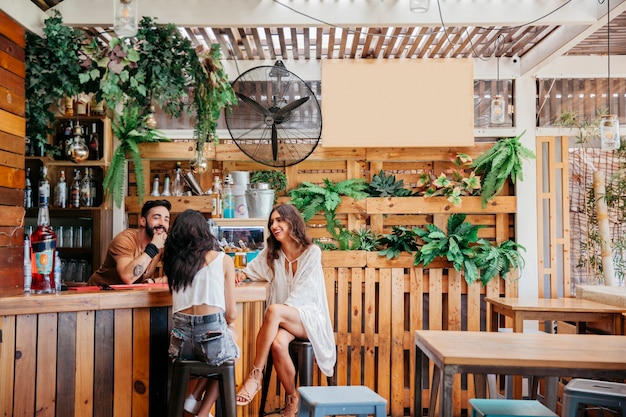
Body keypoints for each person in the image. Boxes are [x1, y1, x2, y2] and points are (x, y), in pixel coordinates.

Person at [234, 203, 336, 417]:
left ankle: (255, 376)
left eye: (279, 220)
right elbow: (251, 269)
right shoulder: (273, 253)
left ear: (292, 222)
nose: (274, 225)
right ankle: (292, 398)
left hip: (309, 319)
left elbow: (304, 294)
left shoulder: (312, 253)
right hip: (286, 318)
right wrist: (241, 274)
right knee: (278, 344)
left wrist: (279, 313)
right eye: (272, 222)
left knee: (273, 311)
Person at [164, 209, 239, 417]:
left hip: (180, 347)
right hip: (211, 340)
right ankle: (203, 412)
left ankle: (193, 397)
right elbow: (231, 314)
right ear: (205, 233)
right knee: (230, 349)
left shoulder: (172, 265)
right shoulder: (223, 260)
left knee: (221, 352)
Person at [86, 199, 171, 286]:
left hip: (128, 295)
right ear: (143, 221)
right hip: (98, 293)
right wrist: (153, 247)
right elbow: (128, 277)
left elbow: (181, 274)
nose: (162, 223)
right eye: (156, 218)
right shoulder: (125, 240)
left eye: (166, 220)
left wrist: (154, 282)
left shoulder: (162, 243)